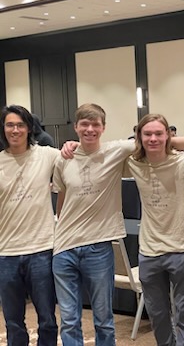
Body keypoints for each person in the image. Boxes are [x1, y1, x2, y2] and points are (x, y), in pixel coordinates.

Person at [52, 103, 135, 345]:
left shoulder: (115, 151)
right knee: (68, 320)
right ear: (76, 127)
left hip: (98, 248)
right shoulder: (63, 159)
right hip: (64, 249)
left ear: (103, 127)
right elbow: (62, 199)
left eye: (95, 124)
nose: (90, 129)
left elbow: (155, 138)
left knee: (103, 320)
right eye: (84, 124)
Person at [124, 114, 184, 345]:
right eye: (147, 134)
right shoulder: (134, 164)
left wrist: (177, 143)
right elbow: (106, 150)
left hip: (181, 249)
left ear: (169, 135)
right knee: (158, 314)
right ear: (139, 137)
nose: (153, 138)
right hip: (149, 251)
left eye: (159, 133)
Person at [0, 105, 59, 345]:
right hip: (6, 253)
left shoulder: (46, 155)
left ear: (29, 128)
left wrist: (71, 145)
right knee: (13, 322)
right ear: (3, 129)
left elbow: (79, 158)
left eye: (20, 125)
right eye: (10, 125)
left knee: (47, 319)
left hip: (41, 250)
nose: (15, 130)